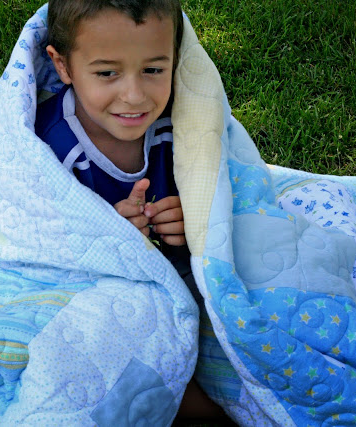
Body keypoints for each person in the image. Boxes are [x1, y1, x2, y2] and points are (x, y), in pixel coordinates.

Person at [35, 0, 228, 421]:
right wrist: (108, 233)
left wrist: (196, 218)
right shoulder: (51, 145)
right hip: (103, 297)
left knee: (238, 328)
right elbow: (40, 239)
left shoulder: (182, 118)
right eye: (107, 73)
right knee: (131, 366)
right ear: (63, 66)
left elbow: (221, 180)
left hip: (177, 278)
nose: (135, 95)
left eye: (154, 69)